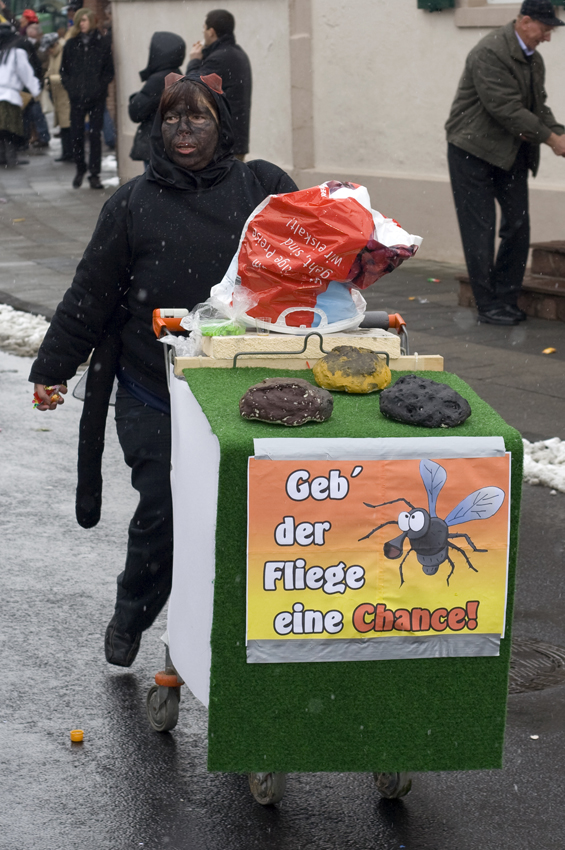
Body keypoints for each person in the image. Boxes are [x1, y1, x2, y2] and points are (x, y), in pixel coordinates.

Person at [29, 72, 298, 667]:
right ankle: (133, 612)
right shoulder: (132, 202)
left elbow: (308, 258)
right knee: (165, 510)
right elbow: (91, 294)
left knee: (249, 516)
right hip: (154, 390)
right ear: (156, 127)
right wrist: (52, 369)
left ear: (221, 124)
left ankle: (240, 636)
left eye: (197, 116)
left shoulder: (262, 187)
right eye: (172, 118)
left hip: (243, 388)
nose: (183, 129)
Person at [445, 0, 565, 326]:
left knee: (517, 224)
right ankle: (488, 305)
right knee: (479, 229)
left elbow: (537, 106)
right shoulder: (490, 52)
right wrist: (551, 140)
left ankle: (507, 297)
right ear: (525, 21)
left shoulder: (533, 59)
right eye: (545, 28)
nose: (548, 37)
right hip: (472, 151)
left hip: (510, 153)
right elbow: (507, 109)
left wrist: (559, 132)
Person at [186, 9, 251, 159]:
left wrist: (194, 60)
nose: (202, 32)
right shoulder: (236, 53)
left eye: (204, 28)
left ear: (211, 32)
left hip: (223, 142)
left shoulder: (220, 58)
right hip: (235, 139)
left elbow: (191, 87)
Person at [60, 7, 113, 189]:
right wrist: (72, 88)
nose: (81, 24)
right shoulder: (71, 45)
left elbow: (109, 71)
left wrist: (99, 87)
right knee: (76, 135)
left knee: (95, 136)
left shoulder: (102, 44)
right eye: (79, 20)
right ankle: (80, 167)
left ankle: (94, 174)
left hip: (96, 97)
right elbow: (64, 71)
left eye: (84, 20)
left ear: (91, 21)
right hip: (77, 98)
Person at [129, 31, 186, 167]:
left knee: (152, 186)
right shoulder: (176, 74)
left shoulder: (159, 79)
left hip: (156, 145)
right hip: (168, 144)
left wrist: (133, 98)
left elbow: (136, 112)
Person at [0, 21, 40, 167]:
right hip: (9, 97)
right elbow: (26, 74)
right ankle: (11, 159)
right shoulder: (17, 53)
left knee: (2, 130)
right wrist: (36, 91)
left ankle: (3, 158)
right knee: (10, 130)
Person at [20, 20, 50, 150]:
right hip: (27, 83)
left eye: (33, 30)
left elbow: (41, 63)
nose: (30, 32)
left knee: (36, 112)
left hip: (34, 82)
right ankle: (28, 137)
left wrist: (39, 79)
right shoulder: (25, 44)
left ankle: (42, 137)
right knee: (27, 114)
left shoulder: (39, 45)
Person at [44, 31, 72, 161]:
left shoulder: (64, 52)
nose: (47, 52)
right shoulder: (53, 55)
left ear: (54, 45)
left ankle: (70, 153)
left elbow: (67, 75)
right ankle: (66, 153)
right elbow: (50, 71)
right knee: (63, 126)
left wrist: (51, 79)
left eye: (48, 48)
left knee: (68, 125)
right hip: (58, 95)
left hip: (66, 95)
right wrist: (46, 80)